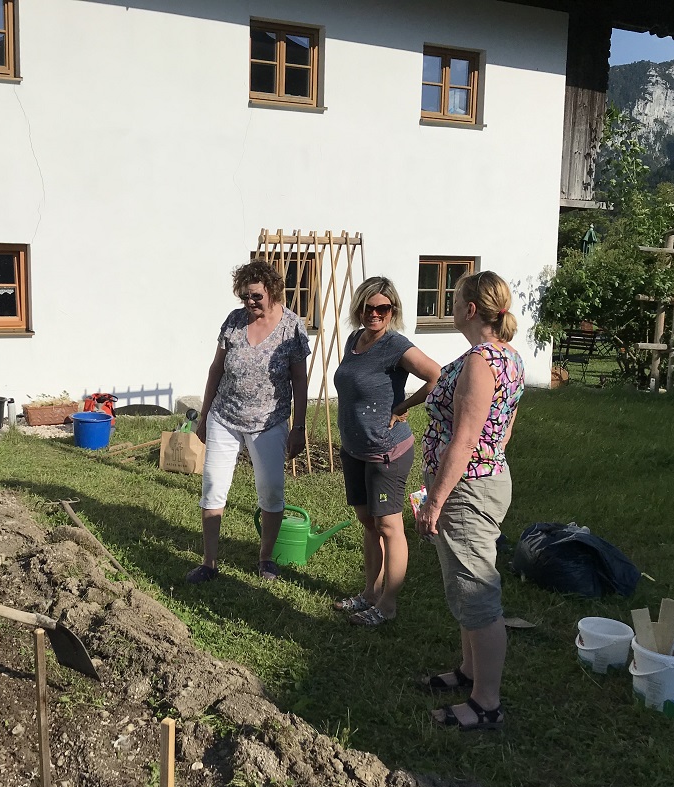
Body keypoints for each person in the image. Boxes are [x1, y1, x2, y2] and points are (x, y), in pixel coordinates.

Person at [414, 271, 525, 731]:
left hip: (466, 487)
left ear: (471, 309)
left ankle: (486, 703)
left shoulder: (480, 362)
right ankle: (468, 670)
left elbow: (464, 440)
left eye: (455, 299)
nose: (451, 305)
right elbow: (506, 426)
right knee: (464, 583)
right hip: (487, 477)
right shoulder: (509, 357)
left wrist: (436, 501)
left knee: (477, 593)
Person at [186, 260, 309, 583]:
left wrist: (299, 426)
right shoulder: (234, 321)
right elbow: (217, 368)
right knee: (213, 486)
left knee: (270, 491)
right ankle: (209, 562)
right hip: (224, 417)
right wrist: (204, 415)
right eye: (244, 297)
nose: (249, 303)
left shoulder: (292, 327)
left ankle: (266, 558)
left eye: (255, 296)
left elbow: (300, 380)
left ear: (272, 290)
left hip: (269, 421)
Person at [332, 277, 440, 626]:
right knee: (368, 522)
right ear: (359, 307)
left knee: (389, 526)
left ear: (393, 311)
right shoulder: (354, 340)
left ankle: (387, 605)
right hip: (354, 447)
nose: (375, 314)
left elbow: (437, 374)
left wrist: (403, 405)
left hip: (386, 450)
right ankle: (369, 593)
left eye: (383, 308)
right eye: (369, 307)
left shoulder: (395, 345)